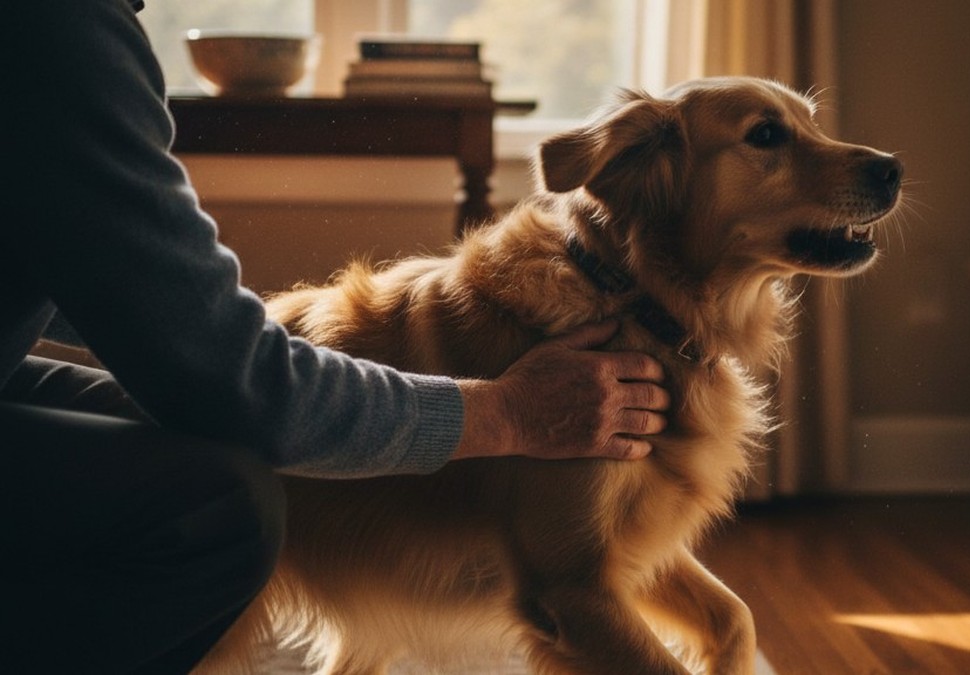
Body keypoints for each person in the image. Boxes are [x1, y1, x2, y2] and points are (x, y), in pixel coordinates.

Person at [0, 0, 671, 671]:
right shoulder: (58, 29)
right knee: (225, 502)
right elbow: (234, 384)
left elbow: (106, 279)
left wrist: (206, 325)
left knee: (190, 429)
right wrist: (505, 413)